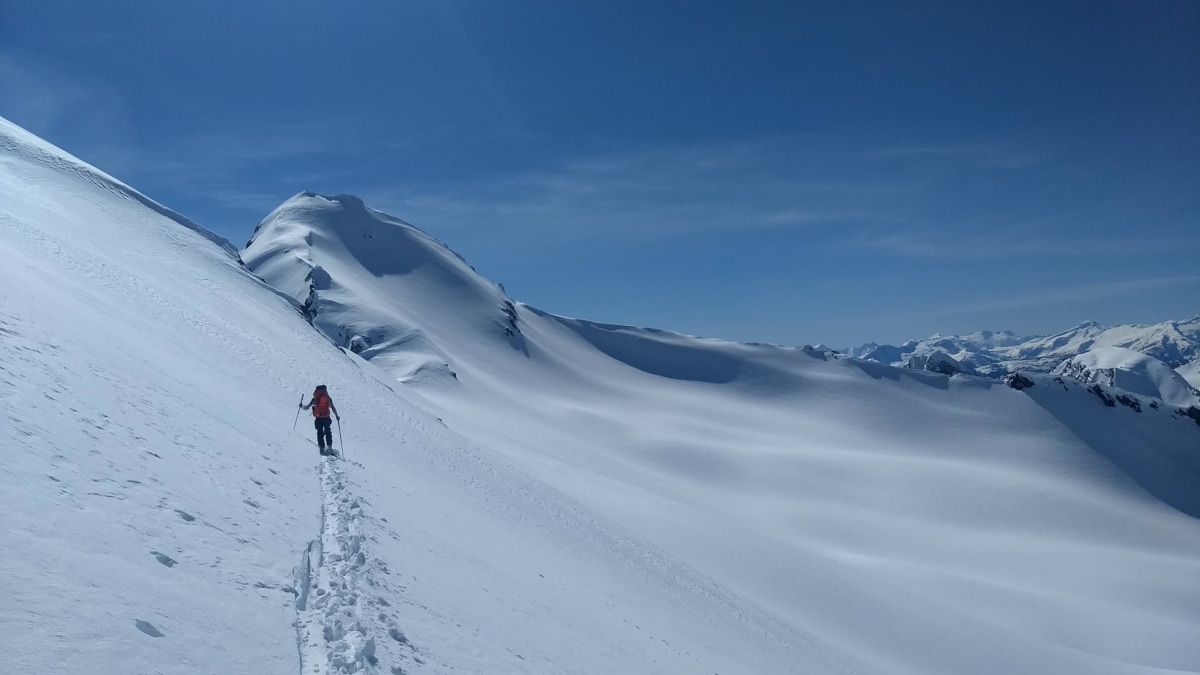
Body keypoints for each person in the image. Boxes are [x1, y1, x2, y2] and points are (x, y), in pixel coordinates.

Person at [301, 385, 340, 455]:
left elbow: (307, 407)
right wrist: (337, 416)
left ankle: (322, 447)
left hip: (318, 418)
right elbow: (333, 408)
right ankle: (329, 446)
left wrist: (301, 406)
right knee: (328, 432)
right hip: (326, 418)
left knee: (320, 433)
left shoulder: (315, 399)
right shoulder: (328, 399)